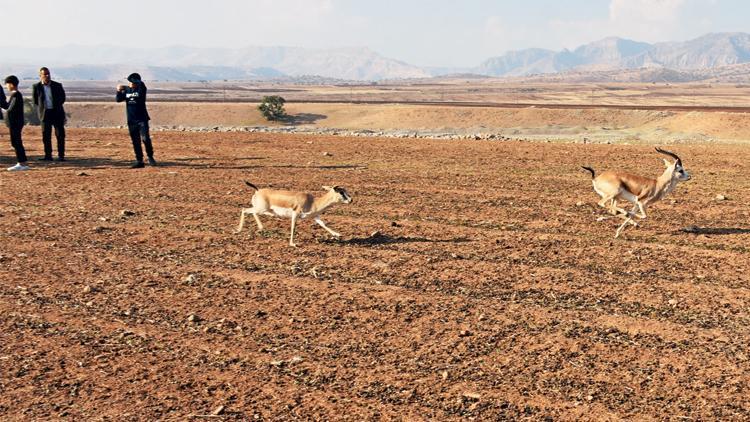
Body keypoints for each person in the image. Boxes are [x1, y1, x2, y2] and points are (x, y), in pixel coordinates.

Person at [116, 73, 156, 168]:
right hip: (131, 120)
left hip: (142, 119)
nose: (131, 83)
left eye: (132, 82)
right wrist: (118, 90)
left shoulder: (141, 89)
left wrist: (131, 83)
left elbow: (141, 83)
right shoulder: (127, 91)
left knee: (145, 138)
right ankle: (139, 161)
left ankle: (150, 156)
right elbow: (118, 99)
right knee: (135, 141)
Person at [32, 67, 67, 161]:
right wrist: (43, 108)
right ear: (40, 76)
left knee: (60, 135)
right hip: (45, 114)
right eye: (45, 74)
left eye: (48, 74)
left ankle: (61, 155)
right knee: (46, 136)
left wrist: (56, 105)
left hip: (57, 113)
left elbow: (63, 98)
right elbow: (36, 100)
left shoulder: (57, 85)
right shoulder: (36, 87)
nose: (47, 76)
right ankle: (48, 156)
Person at [1, 75, 29, 171]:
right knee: (15, 142)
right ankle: (22, 162)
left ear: (11, 84)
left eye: (7, 84)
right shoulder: (14, 95)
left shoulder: (16, 95)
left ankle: (22, 163)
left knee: (16, 142)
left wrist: (1, 100)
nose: (6, 86)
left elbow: (8, 108)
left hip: (16, 123)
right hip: (14, 123)